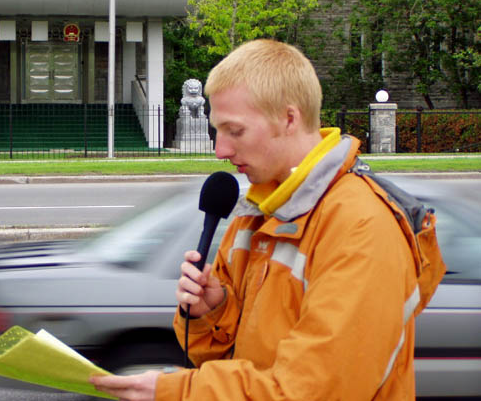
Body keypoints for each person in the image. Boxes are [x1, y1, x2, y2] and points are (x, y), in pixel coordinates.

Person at [92, 39, 431, 400]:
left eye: (235, 131)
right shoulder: (258, 211)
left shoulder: (362, 227)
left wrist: (175, 393)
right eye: (217, 130)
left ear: (289, 119)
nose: (220, 150)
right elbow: (232, 363)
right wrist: (213, 313)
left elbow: (312, 391)